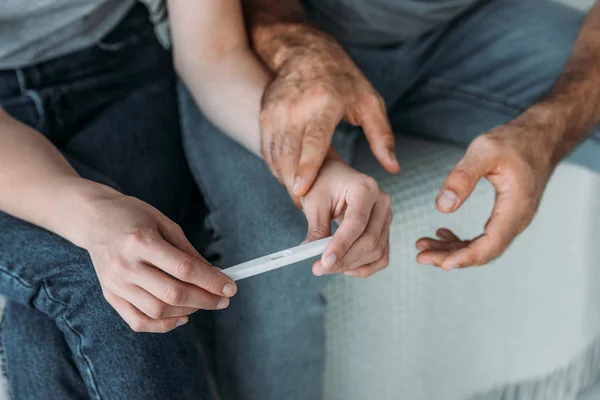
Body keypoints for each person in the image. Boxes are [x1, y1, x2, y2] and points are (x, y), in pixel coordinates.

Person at [177, 0, 600, 399]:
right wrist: (290, 38)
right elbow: (211, 47)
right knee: (279, 246)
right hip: (262, 39)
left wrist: (553, 127)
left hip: (465, 26)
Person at [0, 0, 391, 398]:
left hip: (124, 74)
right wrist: (93, 215)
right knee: (112, 288)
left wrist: (311, 166)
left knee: (127, 288)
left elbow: (215, 52)